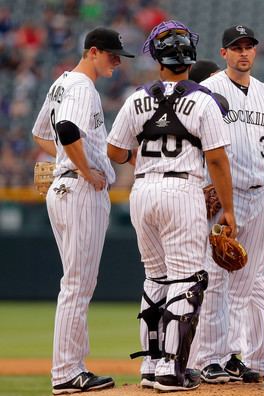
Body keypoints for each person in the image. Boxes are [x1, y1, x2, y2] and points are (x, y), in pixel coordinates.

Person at [106, 20, 235, 392]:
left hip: (143, 192)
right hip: (182, 191)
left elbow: (114, 151)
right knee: (188, 280)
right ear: (191, 59)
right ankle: (171, 370)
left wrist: (144, 160)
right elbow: (217, 161)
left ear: (157, 60)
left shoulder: (137, 98)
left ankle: (151, 364)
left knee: (155, 278)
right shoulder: (203, 100)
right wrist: (228, 209)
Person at [187, 24, 264, 384]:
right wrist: (203, 183)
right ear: (224, 53)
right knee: (217, 280)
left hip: (262, 196)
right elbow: (193, 144)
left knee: (244, 283)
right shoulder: (208, 91)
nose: (244, 52)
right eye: (236, 47)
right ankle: (208, 359)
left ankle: (230, 355)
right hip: (224, 197)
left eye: (249, 46)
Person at [31, 27, 134, 394]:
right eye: (111, 55)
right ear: (92, 52)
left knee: (75, 282)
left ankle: (70, 368)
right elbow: (67, 127)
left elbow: (42, 133)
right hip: (78, 190)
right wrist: (85, 170)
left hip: (63, 188)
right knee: (78, 284)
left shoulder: (62, 82)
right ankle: (67, 372)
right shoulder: (81, 87)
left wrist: (64, 160)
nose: (117, 62)